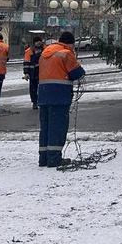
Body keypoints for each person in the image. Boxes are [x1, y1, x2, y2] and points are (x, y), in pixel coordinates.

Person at [37, 31, 86, 168]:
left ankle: (43, 158)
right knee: (57, 127)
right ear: (70, 43)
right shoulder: (66, 53)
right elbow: (76, 73)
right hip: (59, 95)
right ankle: (54, 159)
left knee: (45, 127)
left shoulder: (46, 52)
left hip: (43, 93)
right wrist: (79, 65)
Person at [23, 38, 44, 110]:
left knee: (42, 88)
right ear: (34, 43)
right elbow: (26, 62)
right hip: (33, 73)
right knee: (33, 89)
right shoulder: (29, 51)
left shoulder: (45, 49)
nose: (39, 43)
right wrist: (26, 73)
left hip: (43, 72)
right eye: (37, 42)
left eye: (40, 41)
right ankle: (35, 102)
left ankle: (42, 101)